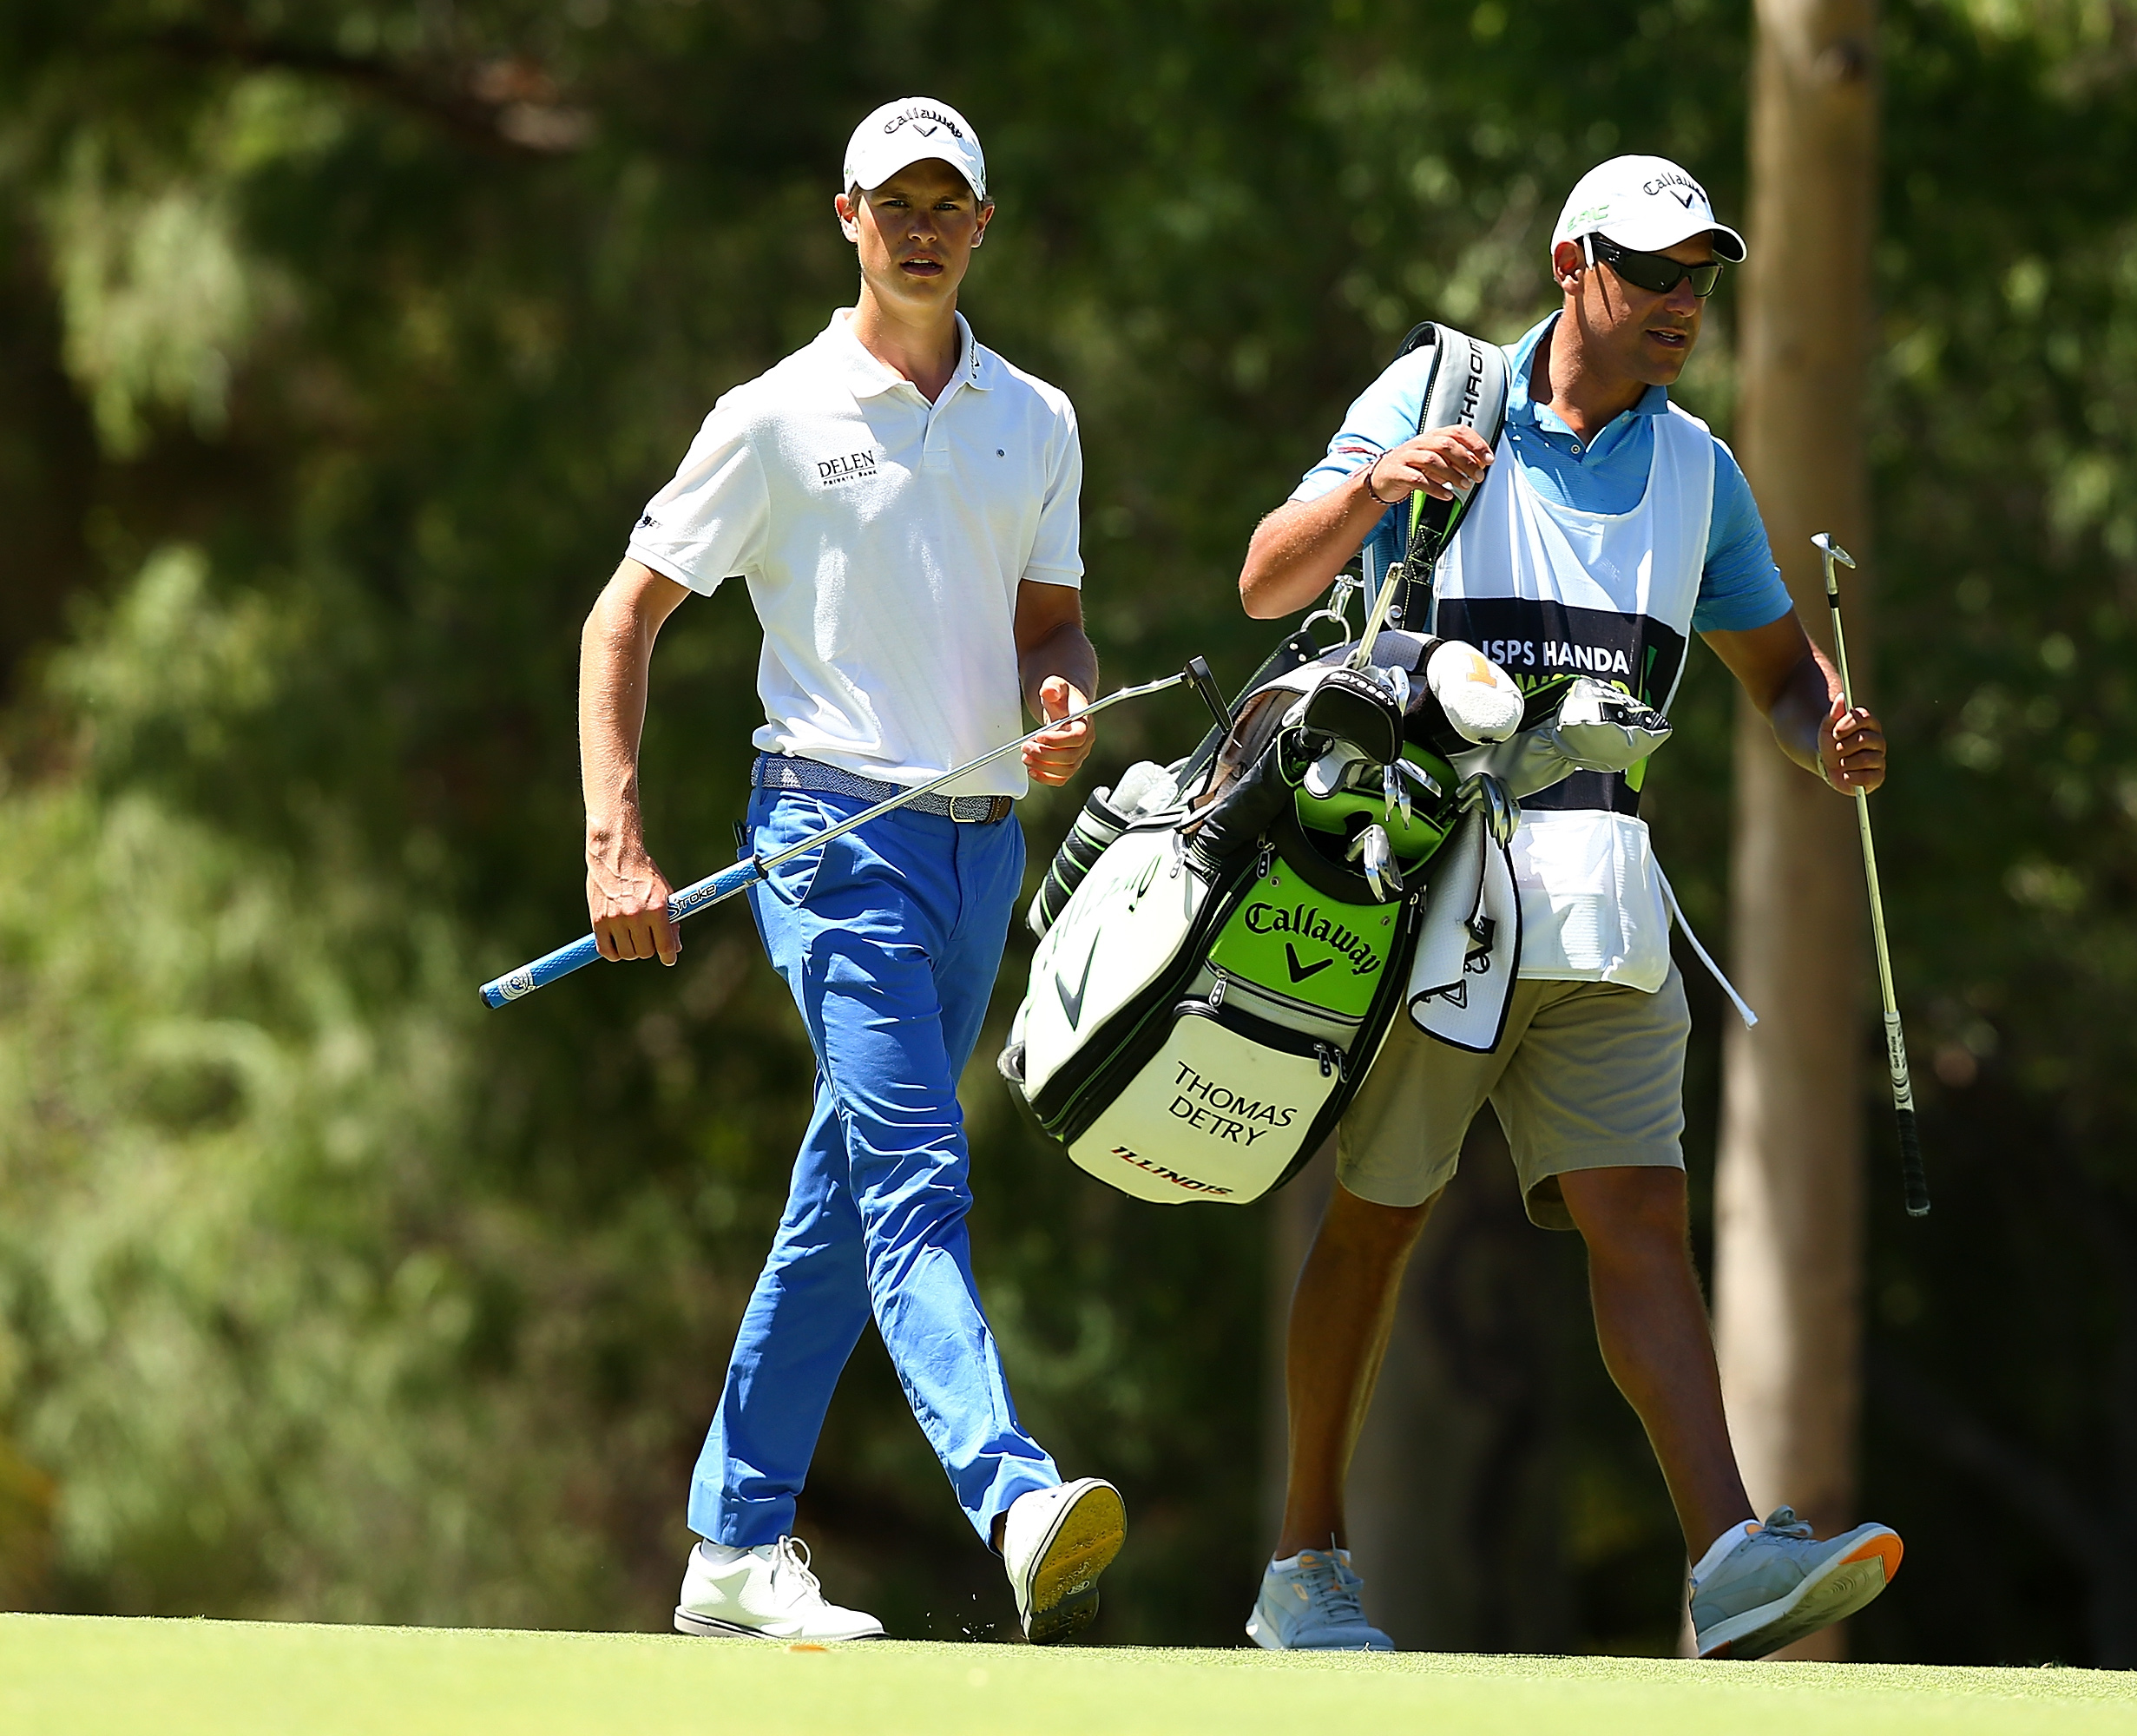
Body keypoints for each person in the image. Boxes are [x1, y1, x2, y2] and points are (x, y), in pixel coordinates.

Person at [1235, 155, 1903, 1659]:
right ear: (1570, 264)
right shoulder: (1441, 393)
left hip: (1605, 897)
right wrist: (1381, 483)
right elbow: (1267, 582)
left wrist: (1829, 736)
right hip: (1423, 886)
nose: (1681, 302)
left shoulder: (1700, 473)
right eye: (1651, 271)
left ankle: (1725, 1553)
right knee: (1377, 1224)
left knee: (1641, 1215)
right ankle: (1304, 1565)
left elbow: (1784, 676)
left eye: (1700, 277)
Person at [577, 96, 1123, 1645]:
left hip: (976, 856)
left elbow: (1050, 624)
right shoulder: (775, 414)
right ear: (848, 219)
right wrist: (617, 838)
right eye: (897, 202)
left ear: (983, 226)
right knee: (914, 1179)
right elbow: (624, 619)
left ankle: (733, 1546)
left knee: (845, 1195)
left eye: (950, 202)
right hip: (830, 842)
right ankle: (1012, 1492)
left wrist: (1064, 696)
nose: (923, 225)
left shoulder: (1039, 416)